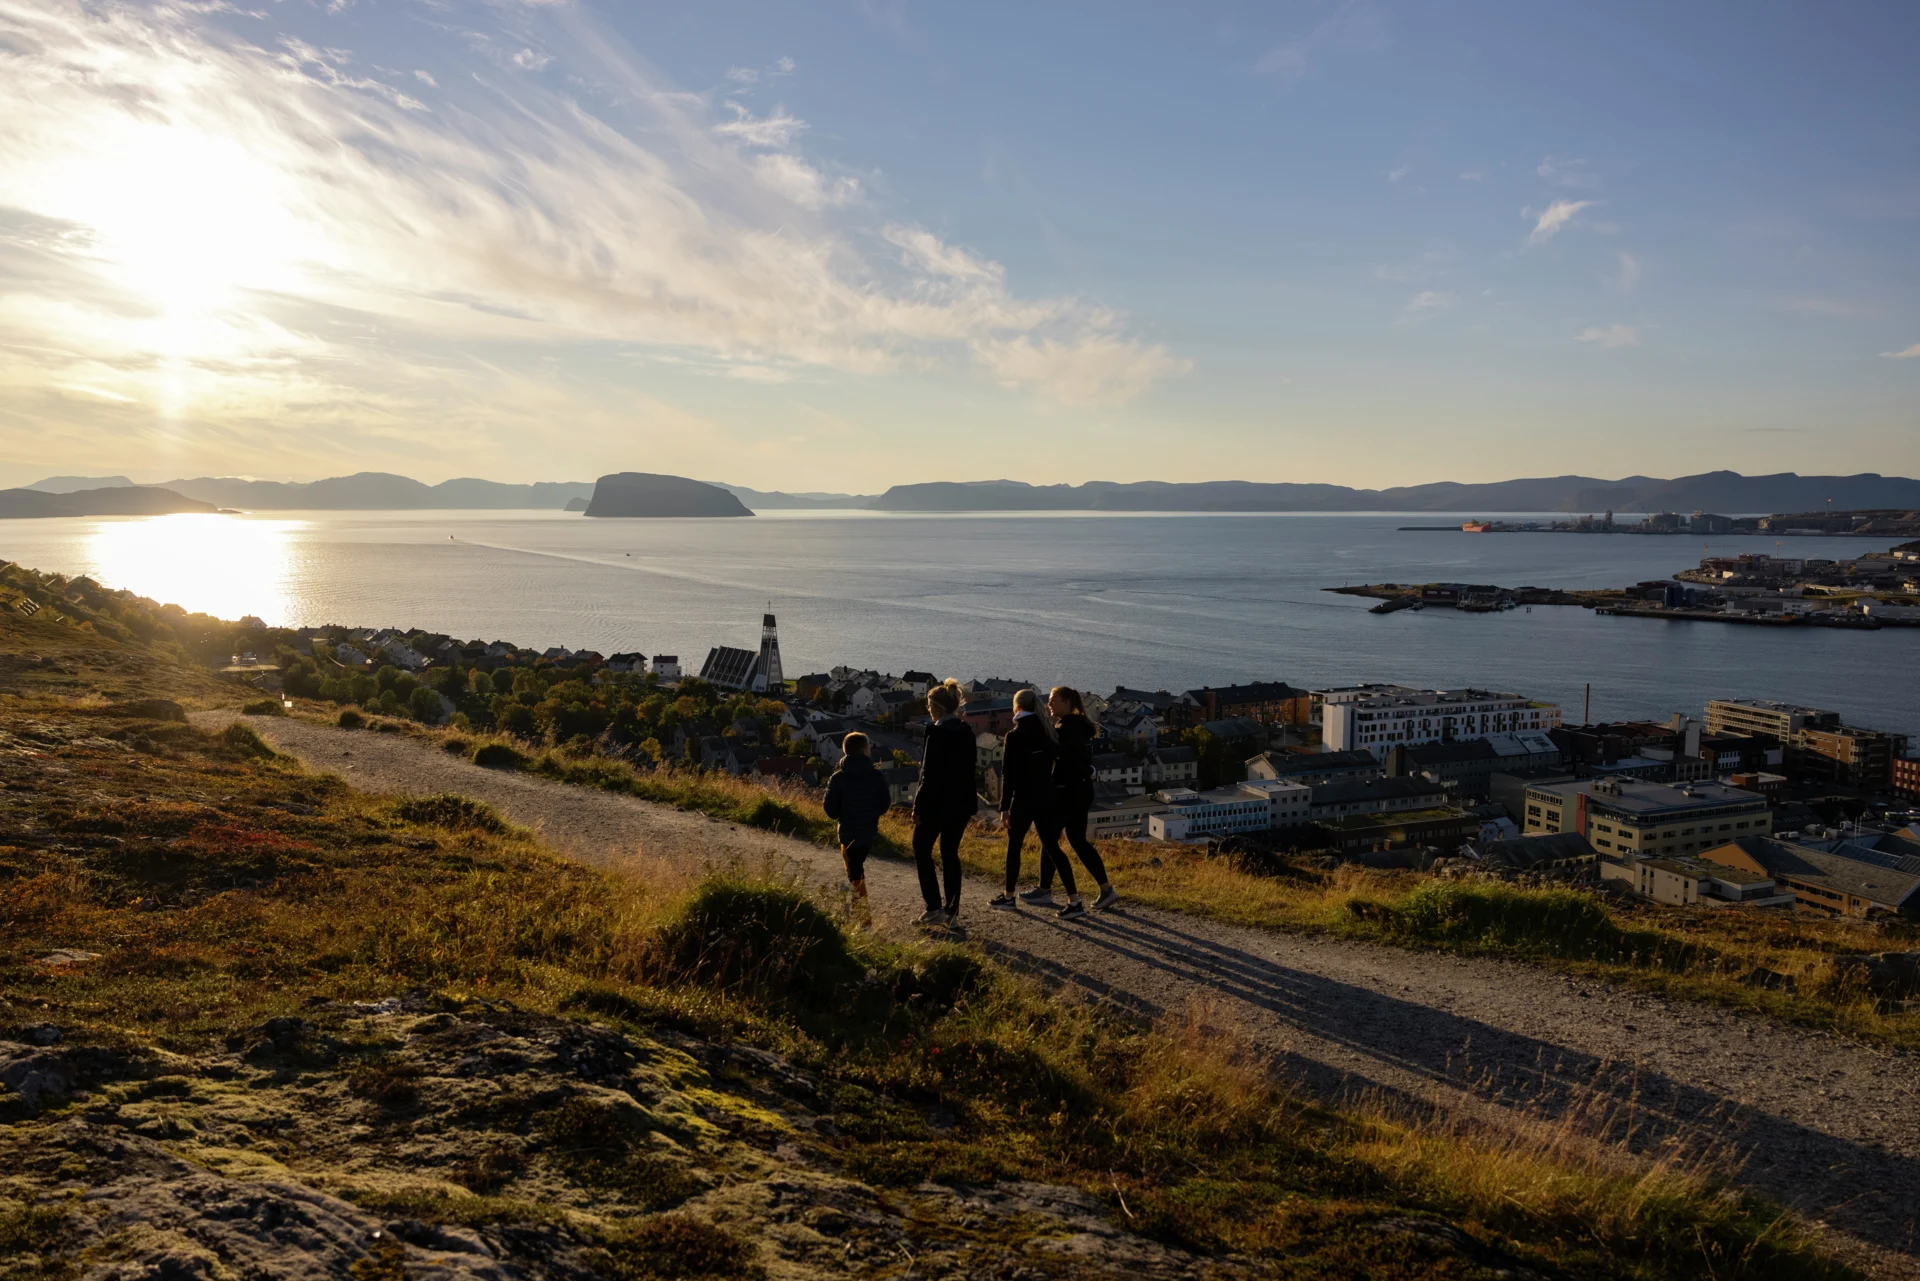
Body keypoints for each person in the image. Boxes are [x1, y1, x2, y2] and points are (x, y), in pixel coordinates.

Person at [990, 688, 1087, 918]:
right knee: (1053, 848)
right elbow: (1061, 757)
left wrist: (1004, 807)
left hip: (1023, 799)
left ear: (1016, 707)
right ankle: (1074, 900)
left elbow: (1008, 774)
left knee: (1014, 848)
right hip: (1047, 797)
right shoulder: (1047, 732)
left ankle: (1009, 896)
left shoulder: (1014, 736)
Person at [1027, 685, 1120, 911]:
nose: (1049, 704)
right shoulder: (1079, 726)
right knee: (1077, 840)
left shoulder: (1067, 727)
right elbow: (1078, 758)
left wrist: (1040, 738)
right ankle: (1106, 889)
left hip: (1067, 791)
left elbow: (1061, 754)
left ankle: (1044, 890)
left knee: (1049, 837)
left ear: (1068, 702)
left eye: (1054, 700)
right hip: (1080, 790)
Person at [911, 678, 975, 926]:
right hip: (961, 803)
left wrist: (919, 806)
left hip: (938, 803)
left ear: (936, 707)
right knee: (950, 853)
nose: (928, 710)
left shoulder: (937, 732)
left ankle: (934, 907)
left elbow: (929, 773)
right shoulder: (966, 730)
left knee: (921, 848)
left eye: (929, 705)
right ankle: (952, 912)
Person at [821, 731, 889, 924]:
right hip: (868, 832)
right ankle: (855, 908)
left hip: (847, 832)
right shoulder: (877, 776)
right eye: (869, 747)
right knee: (856, 870)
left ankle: (863, 919)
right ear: (863, 750)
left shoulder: (838, 778)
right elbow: (884, 805)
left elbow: (831, 810)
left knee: (855, 872)